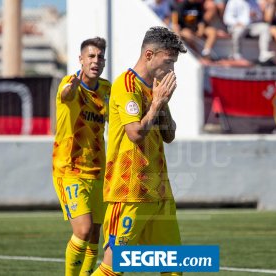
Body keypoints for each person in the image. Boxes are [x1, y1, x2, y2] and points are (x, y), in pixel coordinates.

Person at [91, 26, 187, 276]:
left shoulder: (155, 89)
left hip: (159, 191)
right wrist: (156, 104)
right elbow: (135, 133)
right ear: (149, 55)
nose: (172, 70)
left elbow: (169, 135)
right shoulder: (126, 84)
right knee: (113, 267)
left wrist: (162, 104)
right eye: (168, 62)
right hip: (129, 191)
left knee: (174, 266)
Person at [52, 37, 110, 276]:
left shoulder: (107, 90)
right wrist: (71, 89)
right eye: (91, 56)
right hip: (70, 170)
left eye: (100, 57)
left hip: (98, 171)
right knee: (83, 230)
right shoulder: (70, 84)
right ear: (81, 59)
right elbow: (66, 95)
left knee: (96, 232)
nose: (95, 61)